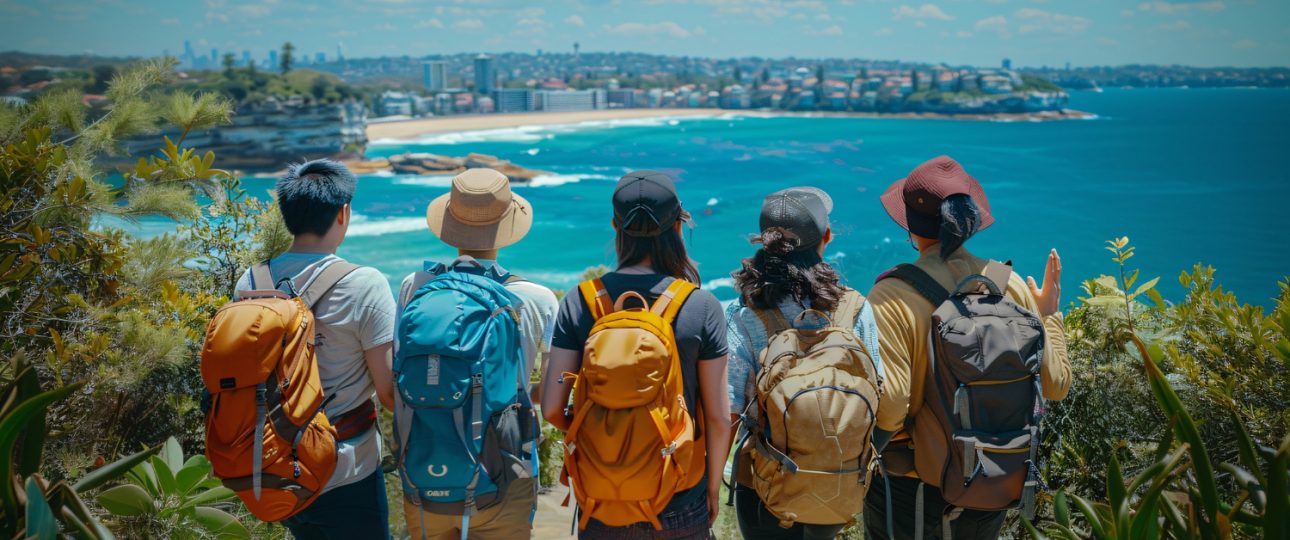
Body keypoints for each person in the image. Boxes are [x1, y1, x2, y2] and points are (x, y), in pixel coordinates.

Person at [864, 156, 1072, 540]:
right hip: (994, 479)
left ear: (910, 223)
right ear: (970, 221)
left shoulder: (892, 295)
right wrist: (1051, 317)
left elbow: (893, 408)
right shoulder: (1008, 285)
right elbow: (1056, 386)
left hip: (917, 485)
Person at [541, 170, 732, 539]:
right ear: (678, 226)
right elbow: (719, 419)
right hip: (678, 496)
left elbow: (551, 407)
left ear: (616, 226)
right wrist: (711, 489)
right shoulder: (701, 306)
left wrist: (604, 440)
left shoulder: (581, 301)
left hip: (600, 499)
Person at [232, 159, 395, 539]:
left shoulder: (251, 280)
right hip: (343, 468)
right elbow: (388, 392)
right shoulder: (364, 283)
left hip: (270, 462)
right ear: (344, 213)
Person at [396, 168, 558, 539]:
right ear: (508, 226)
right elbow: (550, 400)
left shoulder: (415, 287)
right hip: (506, 471)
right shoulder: (538, 298)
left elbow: (396, 383)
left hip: (423, 470)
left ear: (449, 223)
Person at [725, 187, 884, 540]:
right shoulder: (855, 308)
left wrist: (707, 485)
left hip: (763, 483)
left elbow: (731, 410)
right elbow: (879, 394)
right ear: (826, 238)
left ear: (766, 245)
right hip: (838, 480)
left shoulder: (744, 313)